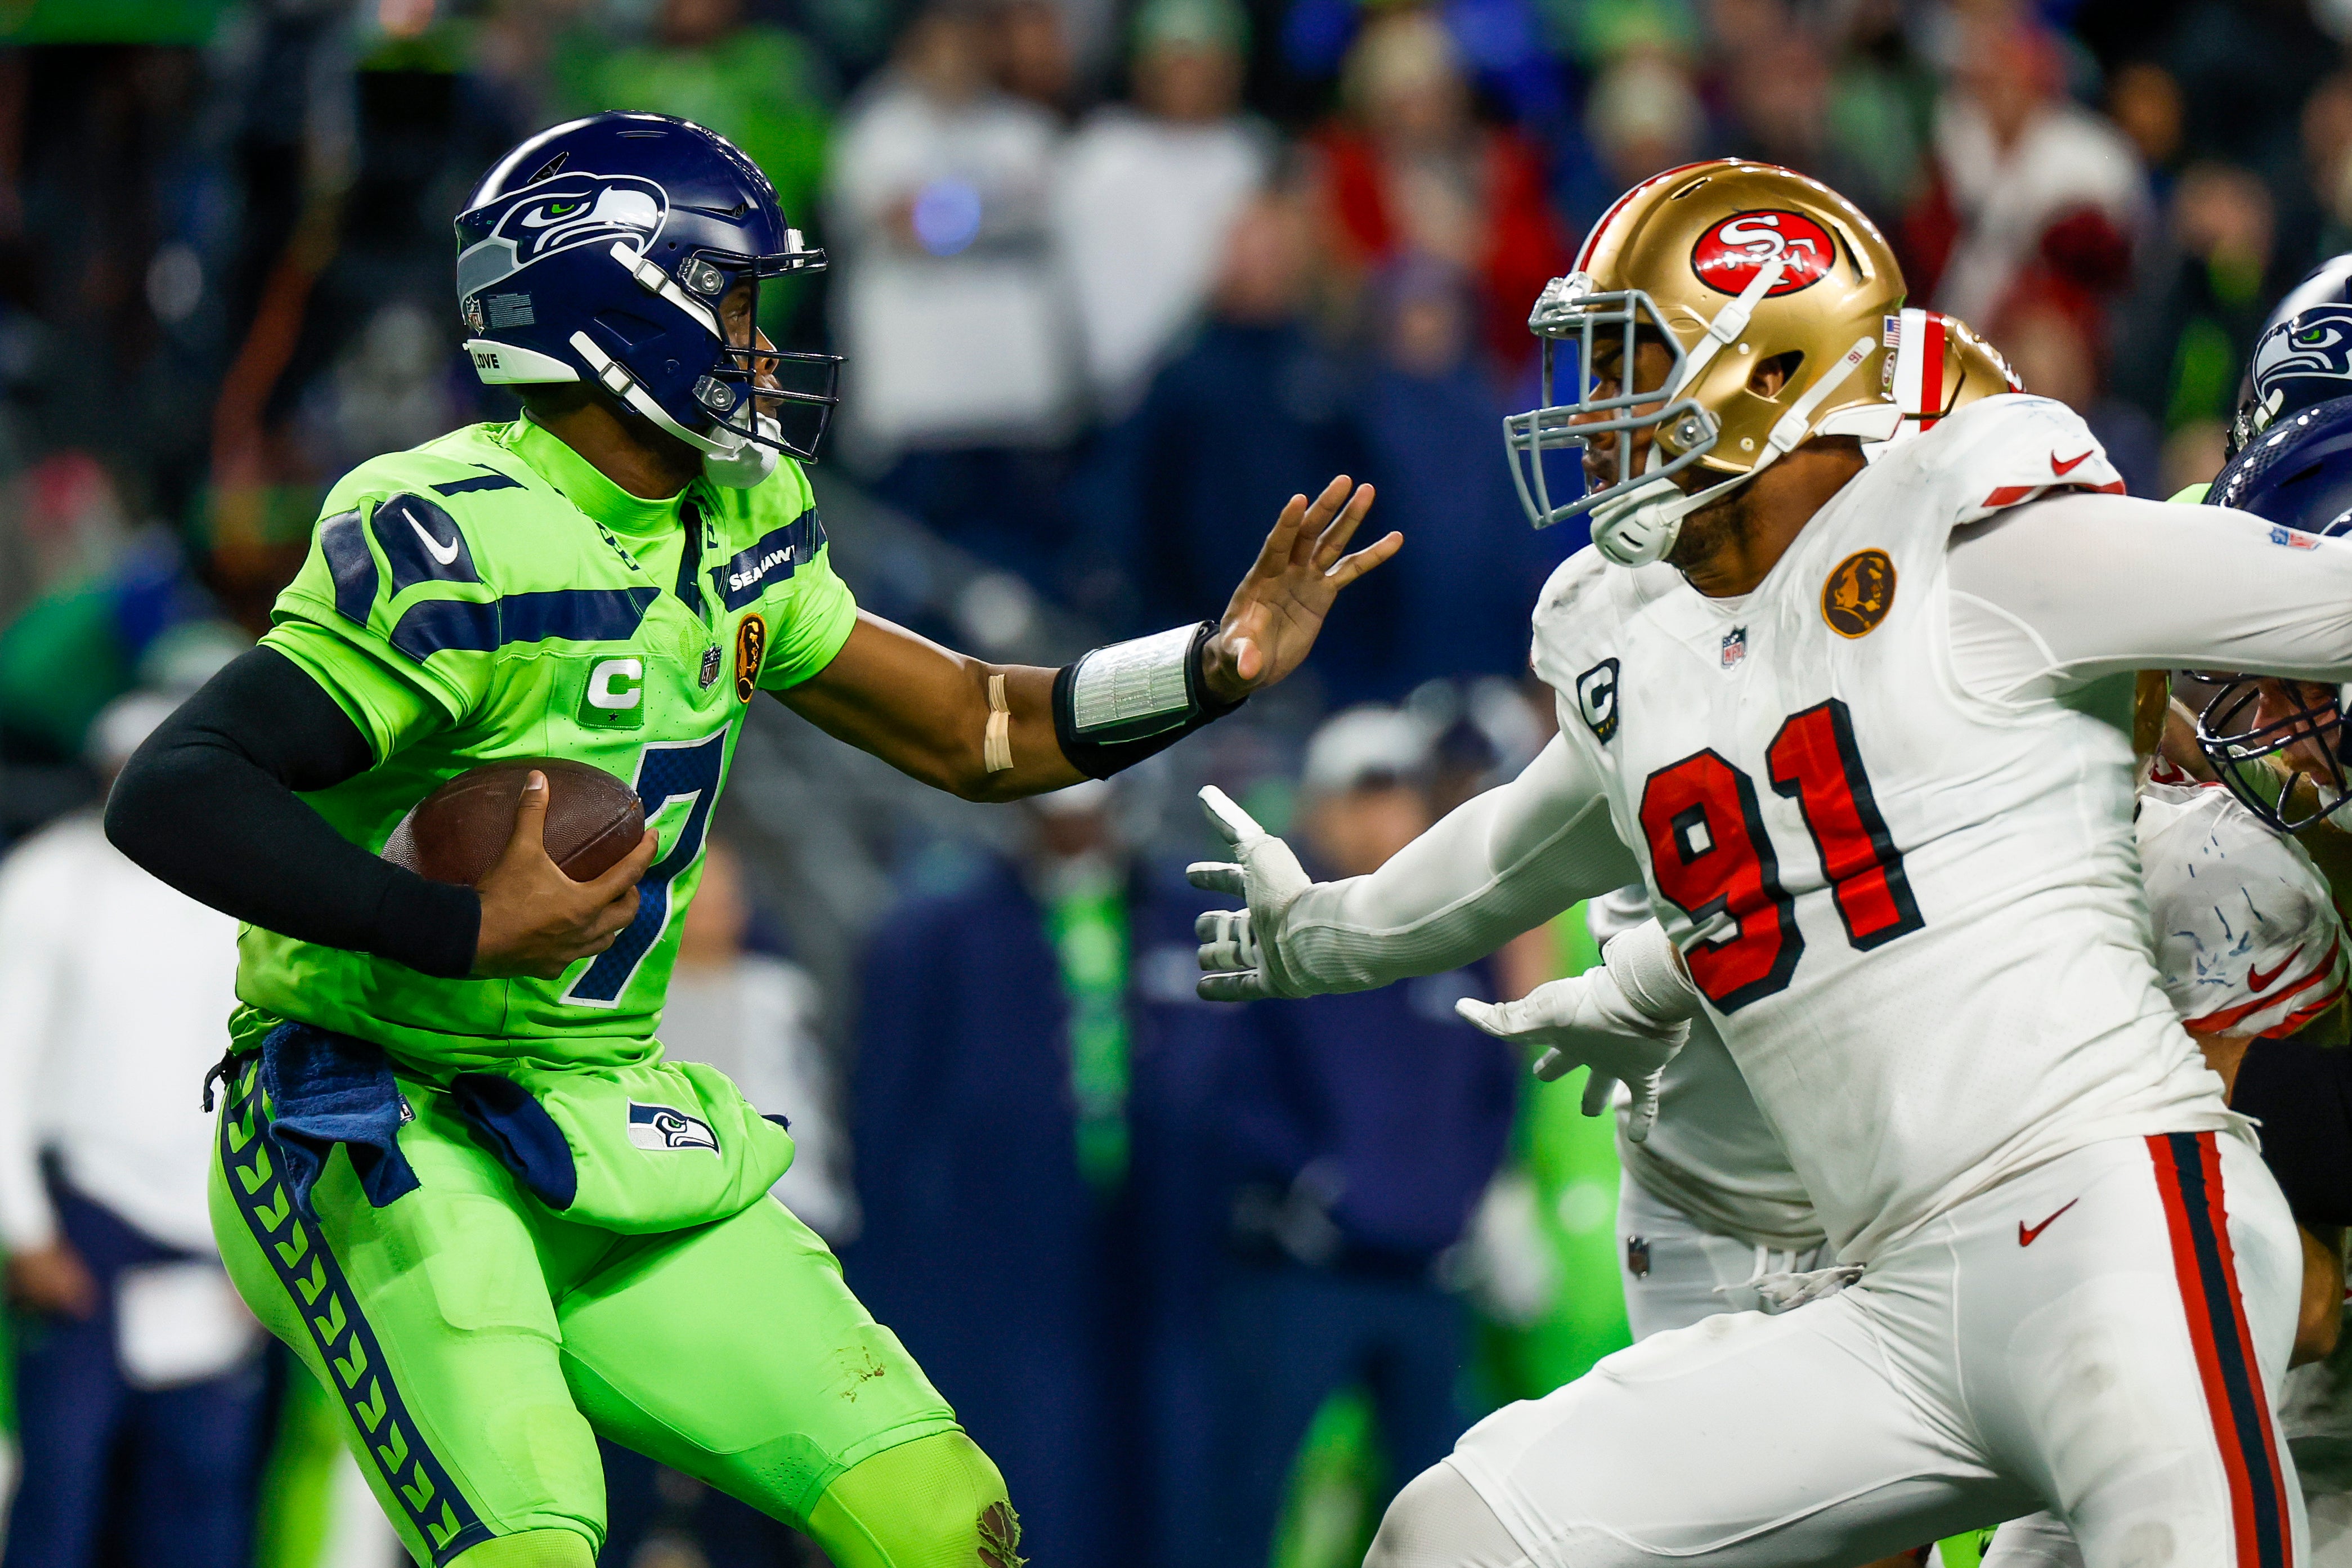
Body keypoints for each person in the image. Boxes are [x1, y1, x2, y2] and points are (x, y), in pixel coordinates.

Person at [101, 112, 1395, 1568]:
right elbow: (177, 783)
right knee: (531, 1539)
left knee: (937, 1515)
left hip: (602, 1104)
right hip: (377, 1115)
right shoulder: (450, 529)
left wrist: (1206, 668)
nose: (762, 345)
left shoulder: (742, 516)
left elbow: (977, 727)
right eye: (731, 301)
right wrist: (460, 930)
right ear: (614, 306)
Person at [1188, 155, 2352, 1563]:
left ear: (1763, 361)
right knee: (1452, 1532)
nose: (1588, 413)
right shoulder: (1650, 643)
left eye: (1631, 360)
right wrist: (1323, 930)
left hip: (2109, 1219)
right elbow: (1519, 844)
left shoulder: (1986, 543)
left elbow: (2320, 599)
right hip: (1882, 1287)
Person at [1211, 707, 1518, 1568]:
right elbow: (1231, 1084)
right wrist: (1308, 1186)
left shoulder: (1457, 934)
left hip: (1427, 1278)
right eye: (1366, 796)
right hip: (1305, 1274)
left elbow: (1494, 1088)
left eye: (1402, 796)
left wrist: (1471, 1198)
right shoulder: (1278, 934)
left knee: (1434, 1510)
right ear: (1321, 809)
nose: (1388, 819)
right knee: (1252, 1495)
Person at [0, 691, 270, 1568]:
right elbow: (5, 1060)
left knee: (199, 1491)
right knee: (64, 1487)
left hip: (218, 1227)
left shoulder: (253, 886)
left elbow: (277, 1066)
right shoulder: (49, 880)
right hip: (89, 1221)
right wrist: (27, 1230)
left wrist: (274, 1245)